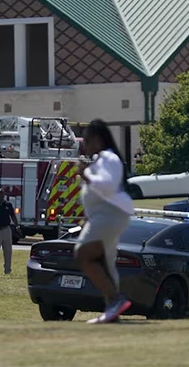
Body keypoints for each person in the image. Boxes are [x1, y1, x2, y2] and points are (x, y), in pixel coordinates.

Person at [73, 119, 134, 324]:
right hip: (105, 215)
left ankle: (116, 299)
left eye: (87, 141)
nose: (85, 146)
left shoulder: (108, 158)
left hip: (111, 214)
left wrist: (85, 174)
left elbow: (107, 185)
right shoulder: (101, 160)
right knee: (105, 263)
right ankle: (112, 311)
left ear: (98, 140)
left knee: (83, 254)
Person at [0, 188, 18, 275]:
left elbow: (13, 216)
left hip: (6, 229)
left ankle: (7, 270)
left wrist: (17, 226)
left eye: (2, 194)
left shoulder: (8, 205)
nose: (0, 196)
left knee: (8, 251)